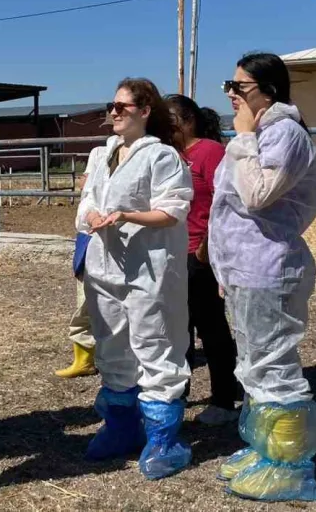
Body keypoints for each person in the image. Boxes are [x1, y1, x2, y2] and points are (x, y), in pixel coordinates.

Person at [209, 52, 316, 502]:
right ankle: (265, 449)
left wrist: (241, 141)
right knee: (254, 366)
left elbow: (257, 195)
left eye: (239, 87)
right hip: (244, 270)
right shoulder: (258, 134)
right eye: (230, 87)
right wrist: (223, 266)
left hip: (268, 268)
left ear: (268, 91)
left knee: (274, 367)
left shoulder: (285, 134)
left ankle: (291, 468)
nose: (231, 95)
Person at [76, 77, 194, 481]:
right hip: (104, 264)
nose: (113, 112)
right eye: (111, 105)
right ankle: (121, 426)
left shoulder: (160, 156)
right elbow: (88, 200)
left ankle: (162, 437)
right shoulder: (101, 155)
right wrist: (94, 216)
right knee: (112, 344)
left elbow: (173, 209)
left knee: (154, 343)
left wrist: (127, 215)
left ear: (144, 111)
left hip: (148, 267)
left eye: (122, 106)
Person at [163, 95, 242, 426]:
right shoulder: (172, 156)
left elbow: (224, 204)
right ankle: (178, 394)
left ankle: (223, 398)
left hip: (199, 253)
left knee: (211, 328)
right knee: (178, 328)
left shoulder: (210, 153)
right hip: (175, 253)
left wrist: (208, 245)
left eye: (167, 121)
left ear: (184, 121)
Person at [54, 145, 106, 379]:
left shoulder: (102, 153)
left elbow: (87, 187)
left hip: (99, 232)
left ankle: (89, 355)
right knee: (85, 294)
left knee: (90, 299)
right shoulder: (101, 152)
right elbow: (86, 189)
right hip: (89, 233)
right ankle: (84, 356)